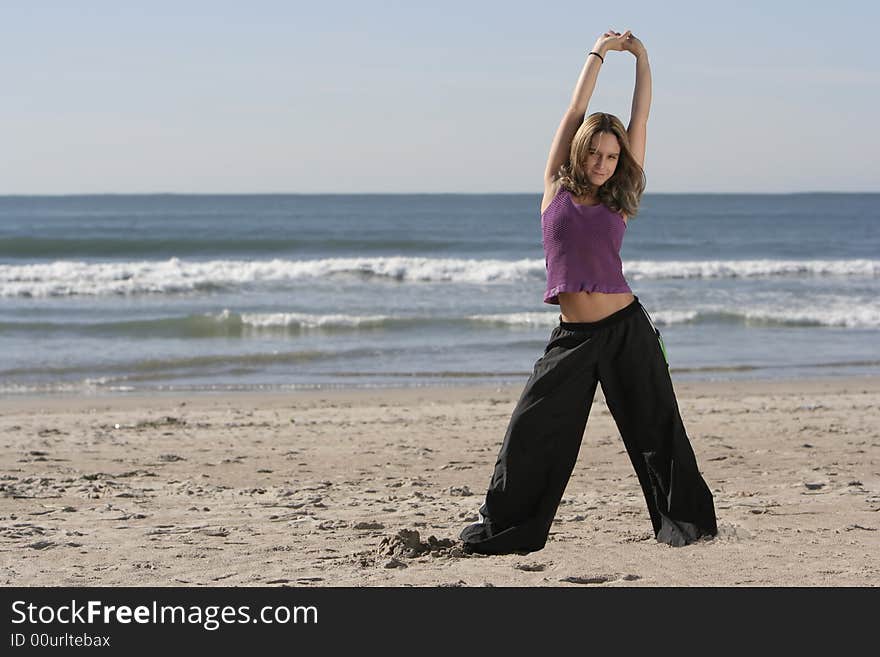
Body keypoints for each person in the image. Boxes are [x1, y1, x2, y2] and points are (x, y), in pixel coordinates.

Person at [460, 29, 718, 555]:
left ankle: (689, 528)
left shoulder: (619, 200)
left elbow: (640, 117)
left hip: (627, 330)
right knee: (531, 430)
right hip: (573, 338)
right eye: (596, 153)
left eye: (611, 157)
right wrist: (600, 54)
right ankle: (510, 531)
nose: (603, 163)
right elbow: (575, 106)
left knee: (657, 429)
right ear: (580, 150)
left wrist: (642, 58)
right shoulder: (555, 189)